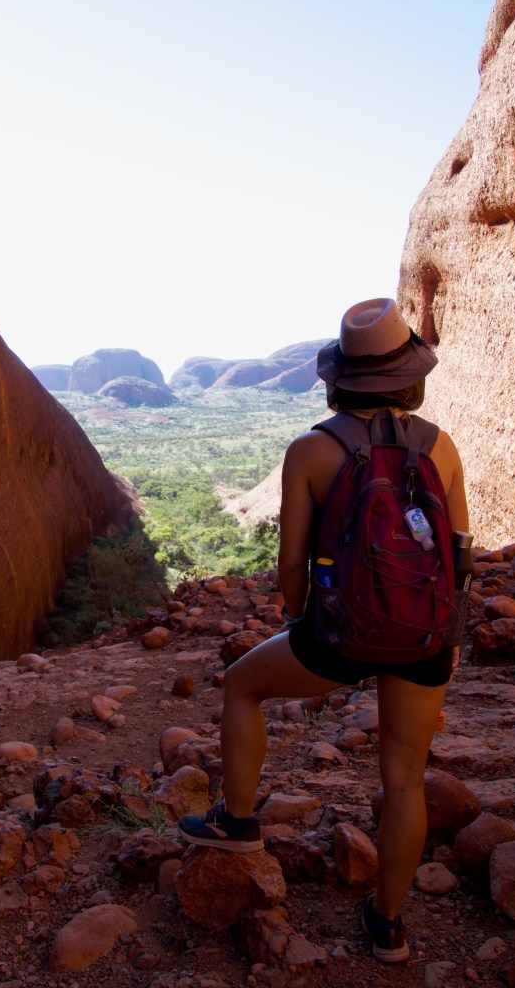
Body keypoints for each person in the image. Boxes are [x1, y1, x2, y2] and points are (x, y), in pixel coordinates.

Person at [178, 298, 469, 964]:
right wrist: (442, 639)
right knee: (403, 780)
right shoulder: (440, 447)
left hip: (338, 637)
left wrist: (299, 621)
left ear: (341, 377)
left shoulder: (311, 449)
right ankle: (388, 927)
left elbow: (291, 567)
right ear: (408, 376)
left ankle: (238, 821)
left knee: (242, 685)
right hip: (424, 635)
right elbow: (458, 552)